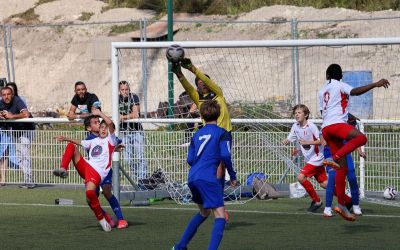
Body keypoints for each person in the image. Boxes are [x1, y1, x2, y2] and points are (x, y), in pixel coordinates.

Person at [319, 63, 390, 221]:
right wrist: (375, 84)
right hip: (337, 125)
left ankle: (342, 204)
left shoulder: (321, 90)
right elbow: (354, 92)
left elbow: (325, 111)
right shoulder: (339, 84)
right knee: (361, 138)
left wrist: (346, 115)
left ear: (327, 76)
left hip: (326, 129)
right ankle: (334, 157)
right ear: (340, 76)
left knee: (341, 169)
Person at [171, 58, 233, 220]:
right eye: (199, 82)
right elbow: (187, 86)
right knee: (213, 169)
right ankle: (217, 206)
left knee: (221, 168)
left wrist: (192, 68)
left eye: (205, 81)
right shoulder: (198, 98)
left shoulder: (218, 93)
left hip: (224, 134)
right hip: (209, 136)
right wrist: (178, 73)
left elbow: (204, 79)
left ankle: (218, 206)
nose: (202, 83)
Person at [172, 100, 237, 250]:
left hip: (193, 177)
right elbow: (226, 155)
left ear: (201, 115)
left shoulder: (196, 134)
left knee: (203, 212)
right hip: (209, 178)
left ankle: (180, 246)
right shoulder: (222, 133)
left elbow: (189, 159)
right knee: (220, 215)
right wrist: (232, 175)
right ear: (219, 114)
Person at [53, 110, 128, 229]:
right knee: (90, 199)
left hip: (101, 172)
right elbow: (79, 143)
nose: (100, 126)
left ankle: (120, 219)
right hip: (89, 169)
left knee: (104, 192)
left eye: (101, 124)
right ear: (89, 128)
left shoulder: (109, 139)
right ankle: (63, 168)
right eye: (97, 123)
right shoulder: (91, 140)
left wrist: (100, 113)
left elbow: (111, 128)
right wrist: (65, 138)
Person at [282, 104, 327, 212]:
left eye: (299, 113)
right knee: (324, 184)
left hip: (317, 157)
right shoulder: (295, 126)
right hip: (310, 159)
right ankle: (347, 199)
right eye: (295, 113)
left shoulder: (311, 126)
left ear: (306, 115)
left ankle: (317, 201)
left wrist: (307, 142)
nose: (297, 115)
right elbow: (290, 138)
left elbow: (322, 141)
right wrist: (286, 141)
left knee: (301, 177)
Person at [322, 114, 366, 217]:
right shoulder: (328, 123)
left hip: (344, 154)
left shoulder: (345, 122)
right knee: (332, 178)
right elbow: (323, 140)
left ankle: (355, 206)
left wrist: (359, 150)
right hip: (331, 152)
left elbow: (353, 140)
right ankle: (328, 208)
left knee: (352, 177)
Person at [0, 86, 36, 189]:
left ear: (12, 94)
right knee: (19, 156)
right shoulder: (1, 102)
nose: (6, 97)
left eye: (8, 94)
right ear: (1, 96)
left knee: (24, 154)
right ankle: (27, 180)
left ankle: (30, 182)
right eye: (4, 95)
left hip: (26, 129)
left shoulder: (18, 101)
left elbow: (26, 114)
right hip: (16, 131)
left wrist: (12, 116)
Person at [118, 80, 147, 180]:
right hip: (124, 132)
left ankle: (143, 179)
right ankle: (138, 177)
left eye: (126, 89)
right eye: (122, 90)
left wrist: (122, 117)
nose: (125, 91)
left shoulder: (133, 97)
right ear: (119, 90)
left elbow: (135, 114)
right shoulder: (117, 99)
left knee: (140, 156)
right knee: (127, 159)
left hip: (136, 131)